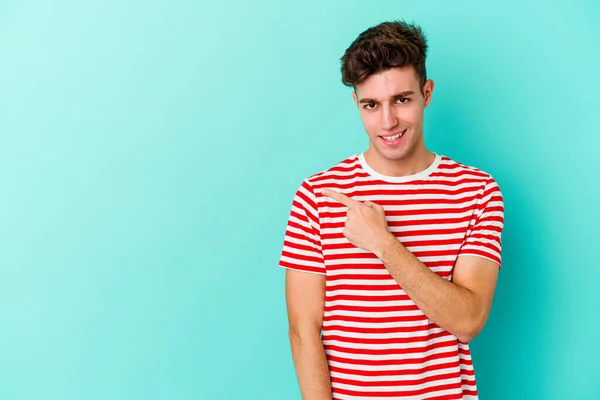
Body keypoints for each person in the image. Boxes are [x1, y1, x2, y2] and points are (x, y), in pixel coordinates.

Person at [278, 20, 504, 400]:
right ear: (357, 104)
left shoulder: (476, 191)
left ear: (426, 93)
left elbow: (467, 320)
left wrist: (383, 243)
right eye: (371, 105)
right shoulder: (318, 195)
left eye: (402, 99)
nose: (388, 122)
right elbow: (303, 330)